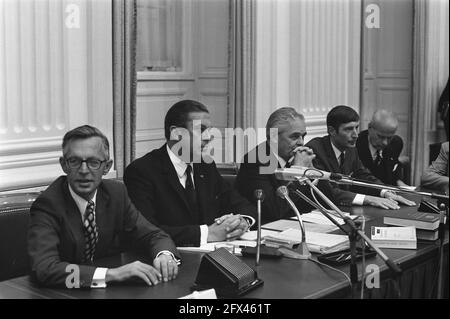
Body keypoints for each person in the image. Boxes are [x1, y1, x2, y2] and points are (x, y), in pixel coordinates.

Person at [28, 125, 179, 288]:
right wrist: (112, 274)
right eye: (74, 161)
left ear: (106, 167)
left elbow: (154, 235)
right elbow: (45, 269)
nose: (84, 170)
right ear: (64, 165)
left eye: (93, 162)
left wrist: (164, 255)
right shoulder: (48, 204)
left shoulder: (116, 193)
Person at [124, 100, 256, 247]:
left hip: (213, 257)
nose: (208, 137)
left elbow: (240, 203)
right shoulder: (142, 171)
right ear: (176, 133)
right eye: (201, 129)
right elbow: (146, 231)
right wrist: (208, 233)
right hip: (168, 261)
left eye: (209, 130)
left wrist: (243, 221)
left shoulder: (205, 165)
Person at [306, 105, 416, 209]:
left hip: (343, 210)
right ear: (332, 131)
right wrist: (368, 199)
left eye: (356, 128)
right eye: (348, 129)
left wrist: (384, 191)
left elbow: (363, 176)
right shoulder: (315, 150)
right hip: (317, 212)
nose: (355, 135)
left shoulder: (350, 149)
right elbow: (327, 191)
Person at [236, 107, 331, 224]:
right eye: (295, 137)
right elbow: (275, 210)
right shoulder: (255, 160)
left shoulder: (299, 156)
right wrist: (297, 171)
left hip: (299, 225)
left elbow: (328, 198)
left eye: (303, 136)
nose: (301, 142)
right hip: (265, 230)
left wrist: (313, 172)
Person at [356, 109, 407, 186]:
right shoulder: (356, 144)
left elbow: (392, 169)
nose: (385, 143)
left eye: (389, 137)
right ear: (370, 128)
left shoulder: (396, 143)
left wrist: (399, 182)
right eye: (380, 136)